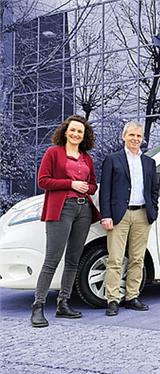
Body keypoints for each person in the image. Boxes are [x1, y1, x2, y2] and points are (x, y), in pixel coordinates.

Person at [30, 115, 101, 328]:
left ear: (84, 135)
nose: (76, 134)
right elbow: (43, 181)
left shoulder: (86, 158)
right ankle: (38, 306)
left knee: (73, 259)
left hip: (83, 210)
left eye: (80, 131)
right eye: (73, 130)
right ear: (65, 131)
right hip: (62, 208)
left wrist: (85, 188)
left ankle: (63, 303)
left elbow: (93, 185)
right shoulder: (53, 153)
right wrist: (71, 184)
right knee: (52, 258)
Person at [100, 121, 159, 316]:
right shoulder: (112, 159)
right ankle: (112, 300)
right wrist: (106, 215)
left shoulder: (149, 162)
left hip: (142, 214)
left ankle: (132, 297)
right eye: (131, 135)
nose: (135, 139)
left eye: (138, 136)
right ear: (124, 136)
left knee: (137, 258)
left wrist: (153, 211)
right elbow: (105, 190)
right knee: (115, 259)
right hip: (119, 215)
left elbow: (153, 190)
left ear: (142, 139)